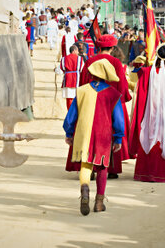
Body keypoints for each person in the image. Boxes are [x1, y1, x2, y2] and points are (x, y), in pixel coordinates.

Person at [63, 59, 124, 215]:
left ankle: (84, 191)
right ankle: (98, 203)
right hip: (103, 134)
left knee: (86, 164)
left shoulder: (81, 90)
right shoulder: (113, 94)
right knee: (102, 167)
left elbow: (71, 116)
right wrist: (118, 138)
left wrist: (69, 133)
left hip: (84, 133)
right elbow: (118, 120)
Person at [129, 43, 165, 182]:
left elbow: (141, 95)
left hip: (150, 112)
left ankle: (146, 172)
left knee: (148, 135)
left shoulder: (146, 72)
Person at [78, 35, 132, 178]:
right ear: (113, 48)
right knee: (111, 132)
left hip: (91, 101)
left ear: (98, 47)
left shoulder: (89, 61)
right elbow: (121, 85)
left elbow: (82, 83)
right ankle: (111, 169)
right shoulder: (116, 62)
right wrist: (123, 99)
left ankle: (89, 166)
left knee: (90, 131)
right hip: (111, 103)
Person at [60, 45, 83, 109]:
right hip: (77, 79)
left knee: (69, 98)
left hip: (67, 79)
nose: (78, 52)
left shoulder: (64, 58)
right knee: (77, 97)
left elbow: (62, 68)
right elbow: (82, 69)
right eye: (77, 51)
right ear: (74, 50)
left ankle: (69, 113)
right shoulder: (80, 59)